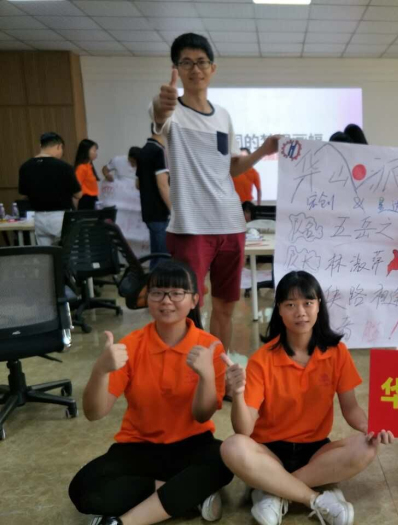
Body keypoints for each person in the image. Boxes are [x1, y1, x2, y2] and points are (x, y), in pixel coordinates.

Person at [219, 271, 394, 525]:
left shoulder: (337, 353)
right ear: (279, 310)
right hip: (269, 451)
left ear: (318, 305)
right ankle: (314, 498)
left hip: (315, 451)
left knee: (368, 446)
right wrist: (237, 393)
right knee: (232, 446)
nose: (300, 312)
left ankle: (273, 490)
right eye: (290, 305)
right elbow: (244, 430)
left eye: (307, 303)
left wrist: (370, 427)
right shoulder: (262, 359)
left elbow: (351, 408)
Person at [68, 260, 233, 525]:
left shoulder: (209, 346)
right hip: (138, 447)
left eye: (176, 293)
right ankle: (185, 496)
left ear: (194, 300)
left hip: (192, 445)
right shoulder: (131, 345)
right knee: (83, 489)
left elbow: (202, 416)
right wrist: (100, 370)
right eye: (157, 292)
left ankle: (125, 520)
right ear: (147, 298)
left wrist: (205, 376)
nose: (166, 301)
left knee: (224, 462)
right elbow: (94, 413)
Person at [150, 32, 279, 354]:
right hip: (191, 227)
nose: (195, 69)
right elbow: (159, 117)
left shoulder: (222, 115)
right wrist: (161, 106)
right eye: (187, 63)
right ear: (176, 69)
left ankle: (217, 366)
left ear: (213, 68)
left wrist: (263, 150)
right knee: (187, 307)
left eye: (202, 62)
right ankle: (189, 370)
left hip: (231, 225)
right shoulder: (172, 111)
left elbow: (231, 168)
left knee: (226, 305)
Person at [18, 132, 82, 245]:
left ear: (40, 146)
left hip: (38, 217)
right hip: (60, 217)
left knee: (46, 252)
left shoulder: (25, 167)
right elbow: (78, 194)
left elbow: (23, 193)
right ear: (59, 146)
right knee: (66, 250)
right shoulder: (64, 167)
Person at [135, 130, 170, 269]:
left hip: (148, 210)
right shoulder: (159, 151)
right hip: (160, 210)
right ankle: (157, 282)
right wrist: (173, 210)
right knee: (163, 256)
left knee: (156, 255)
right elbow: (163, 185)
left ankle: (152, 279)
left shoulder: (143, 151)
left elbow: (138, 184)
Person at [74, 139, 101, 210]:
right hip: (85, 200)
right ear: (86, 151)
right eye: (94, 150)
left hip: (93, 199)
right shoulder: (81, 167)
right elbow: (76, 187)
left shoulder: (89, 166)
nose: (96, 153)